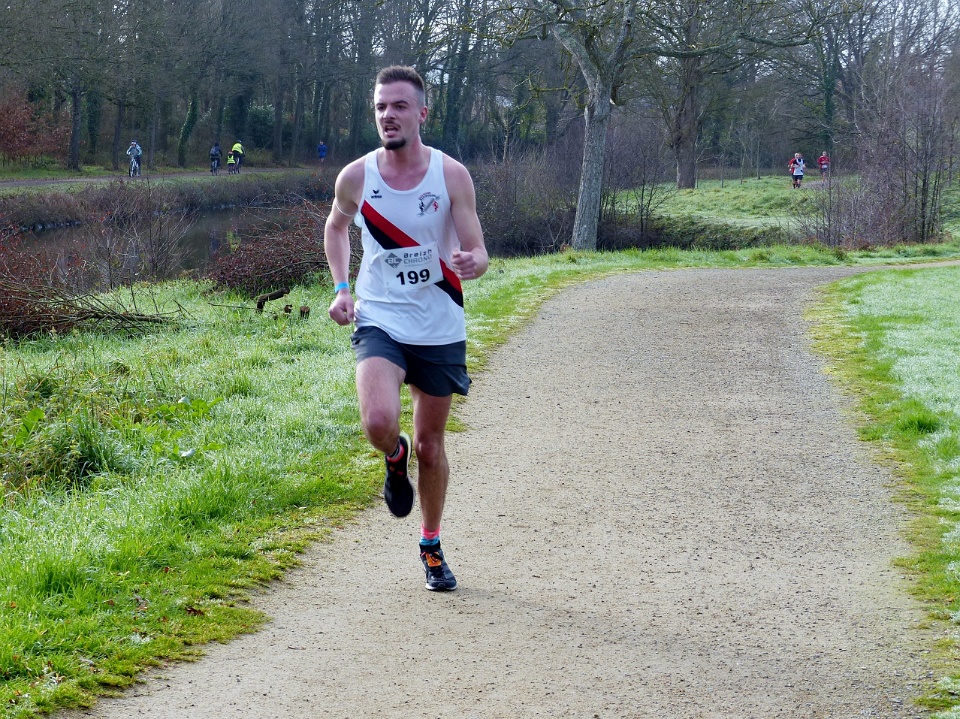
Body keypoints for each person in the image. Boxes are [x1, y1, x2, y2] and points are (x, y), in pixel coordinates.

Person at [324, 65, 489, 592]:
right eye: (380, 107)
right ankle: (394, 458)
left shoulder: (451, 175)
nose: (388, 115)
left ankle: (431, 544)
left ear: (422, 113)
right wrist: (342, 288)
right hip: (380, 318)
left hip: (439, 323)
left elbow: (478, 249)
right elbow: (335, 227)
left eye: (398, 106)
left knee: (431, 446)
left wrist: (474, 262)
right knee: (378, 422)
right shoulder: (356, 177)